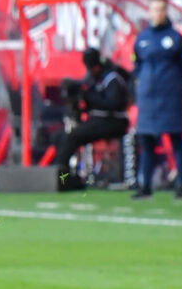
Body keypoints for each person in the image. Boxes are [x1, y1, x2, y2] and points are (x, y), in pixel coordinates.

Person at [132, 0, 182, 200]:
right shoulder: (142, 39)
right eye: (153, 10)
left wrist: (174, 84)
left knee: (176, 140)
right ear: (149, 12)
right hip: (148, 100)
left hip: (171, 98)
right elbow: (136, 67)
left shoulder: (177, 39)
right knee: (147, 142)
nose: (157, 14)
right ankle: (145, 186)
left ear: (165, 12)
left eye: (160, 10)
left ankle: (180, 184)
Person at [54, 48, 130, 189]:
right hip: (100, 120)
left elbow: (112, 104)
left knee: (73, 136)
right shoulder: (96, 79)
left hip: (113, 121)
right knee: (60, 137)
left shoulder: (112, 78)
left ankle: (62, 179)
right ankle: (62, 175)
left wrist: (89, 94)